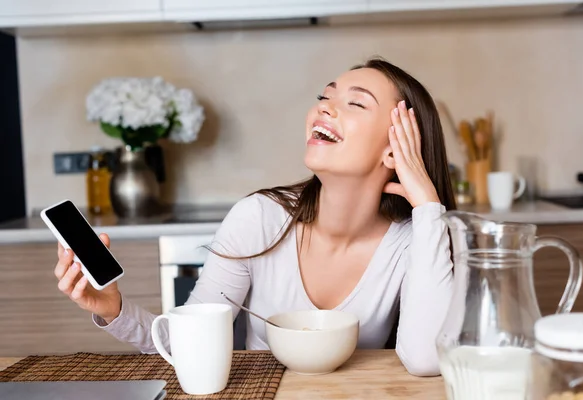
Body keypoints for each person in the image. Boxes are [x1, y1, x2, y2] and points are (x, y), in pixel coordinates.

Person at [53, 57, 455, 377]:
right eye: (325, 95)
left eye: (355, 103)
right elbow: (185, 344)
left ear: (395, 150)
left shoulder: (414, 239)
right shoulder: (258, 220)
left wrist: (428, 208)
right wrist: (112, 309)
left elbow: (424, 360)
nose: (324, 107)